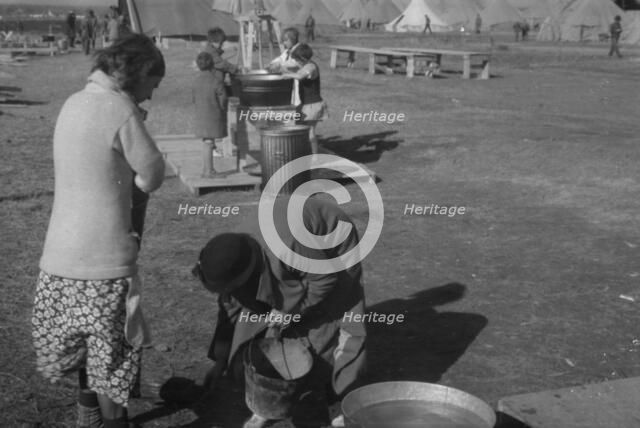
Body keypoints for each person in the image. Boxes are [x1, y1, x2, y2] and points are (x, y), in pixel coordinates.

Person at [32, 33, 166, 428]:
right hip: (103, 265)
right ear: (138, 74)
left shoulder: (74, 102)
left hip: (58, 259)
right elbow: (153, 175)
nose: (151, 96)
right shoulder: (120, 111)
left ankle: (87, 416)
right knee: (112, 359)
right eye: (151, 86)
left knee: (87, 350)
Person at [193, 196, 367, 428]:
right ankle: (269, 400)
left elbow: (325, 280)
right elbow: (230, 312)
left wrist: (294, 310)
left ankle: (337, 397)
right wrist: (220, 362)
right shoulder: (230, 257)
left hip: (332, 243)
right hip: (289, 250)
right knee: (268, 319)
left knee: (327, 321)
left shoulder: (288, 245)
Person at [282, 43, 328, 155]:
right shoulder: (305, 65)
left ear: (302, 59)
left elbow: (299, 76)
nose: (295, 63)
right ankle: (303, 152)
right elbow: (294, 69)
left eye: (296, 60)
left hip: (313, 105)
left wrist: (287, 75)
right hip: (305, 104)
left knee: (310, 131)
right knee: (297, 127)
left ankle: (314, 157)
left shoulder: (311, 67)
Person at [193, 52, 228, 177]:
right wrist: (222, 109)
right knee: (209, 143)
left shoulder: (196, 81)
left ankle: (206, 170)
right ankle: (209, 171)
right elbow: (223, 99)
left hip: (200, 115)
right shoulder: (216, 81)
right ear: (212, 65)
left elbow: (193, 98)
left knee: (206, 142)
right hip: (213, 115)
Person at [201, 27, 240, 98]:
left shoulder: (213, 49)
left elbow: (220, 53)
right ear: (215, 41)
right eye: (221, 43)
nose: (222, 44)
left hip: (216, 80)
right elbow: (221, 64)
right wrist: (235, 69)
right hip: (214, 82)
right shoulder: (211, 52)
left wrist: (230, 50)